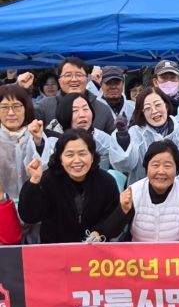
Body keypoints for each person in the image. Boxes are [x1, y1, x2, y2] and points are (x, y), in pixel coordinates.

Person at [18, 129, 119, 243]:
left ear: (92, 156)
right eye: (70, 155)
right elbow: (29, 216)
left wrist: (99, 232)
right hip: (55, 248)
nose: (77, 160)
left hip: (95, 249)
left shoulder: (106, 182)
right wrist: (34, 182)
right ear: (60, 158)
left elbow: (112, 217)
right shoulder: (47, 180)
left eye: (82, 154)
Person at [104, 141, 179, 242]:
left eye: (167, 166)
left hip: (173, 252)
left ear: (177, 169)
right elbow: (110, 233)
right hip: (138, 251)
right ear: (146, 167)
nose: (161, 171)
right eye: (155, 165)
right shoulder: (134, 192)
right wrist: (122, 210)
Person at [109, 87, 179, 189]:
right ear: (142, 112)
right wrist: (123, 137)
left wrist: (168, 191)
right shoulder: (135, 133)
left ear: (166, 105)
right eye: (148, 108)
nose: (154, 111)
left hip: (177, 194)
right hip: (141, 194)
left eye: (158, 105)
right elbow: (124, 165)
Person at [0, 84, 44, 242]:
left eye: (17, 106)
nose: (11, 113)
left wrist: (38, 142)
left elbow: (47, 168)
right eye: (4, 107)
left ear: (26, 108)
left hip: (36, 212)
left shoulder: (37, 133)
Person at [35, 57, 115, 134]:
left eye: (79, 75)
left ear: (87, 79)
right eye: (68, 75)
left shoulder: (103, 109)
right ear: (59, 81)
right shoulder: (43, 107)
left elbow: (113, 140)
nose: (74, 79)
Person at [36, 93, 112, 171]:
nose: (82, 115)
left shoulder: (102, 139)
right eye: (75, 110)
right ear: (63, 114)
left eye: (85, 109)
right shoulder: (52, 140)